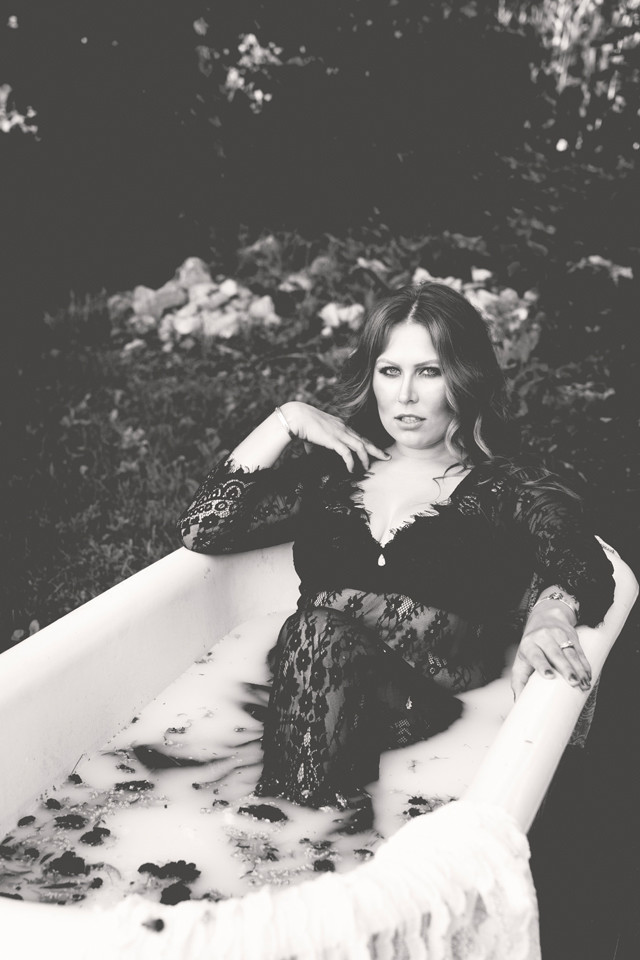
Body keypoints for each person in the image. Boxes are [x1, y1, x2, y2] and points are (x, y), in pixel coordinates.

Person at [177, 281, 615, 832]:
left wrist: (552, 608)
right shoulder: (334, 474)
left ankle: (290, 832)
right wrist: (285, 419)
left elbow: (585, 563)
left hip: (420, 709)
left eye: (429, 372)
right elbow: (202, 531)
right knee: (313, 635)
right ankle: (298, 834)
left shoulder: (505, 486)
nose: (405, 395)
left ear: (464, 378)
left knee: (316, 631)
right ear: (372, 378)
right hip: (304, 699)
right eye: (390, 371)